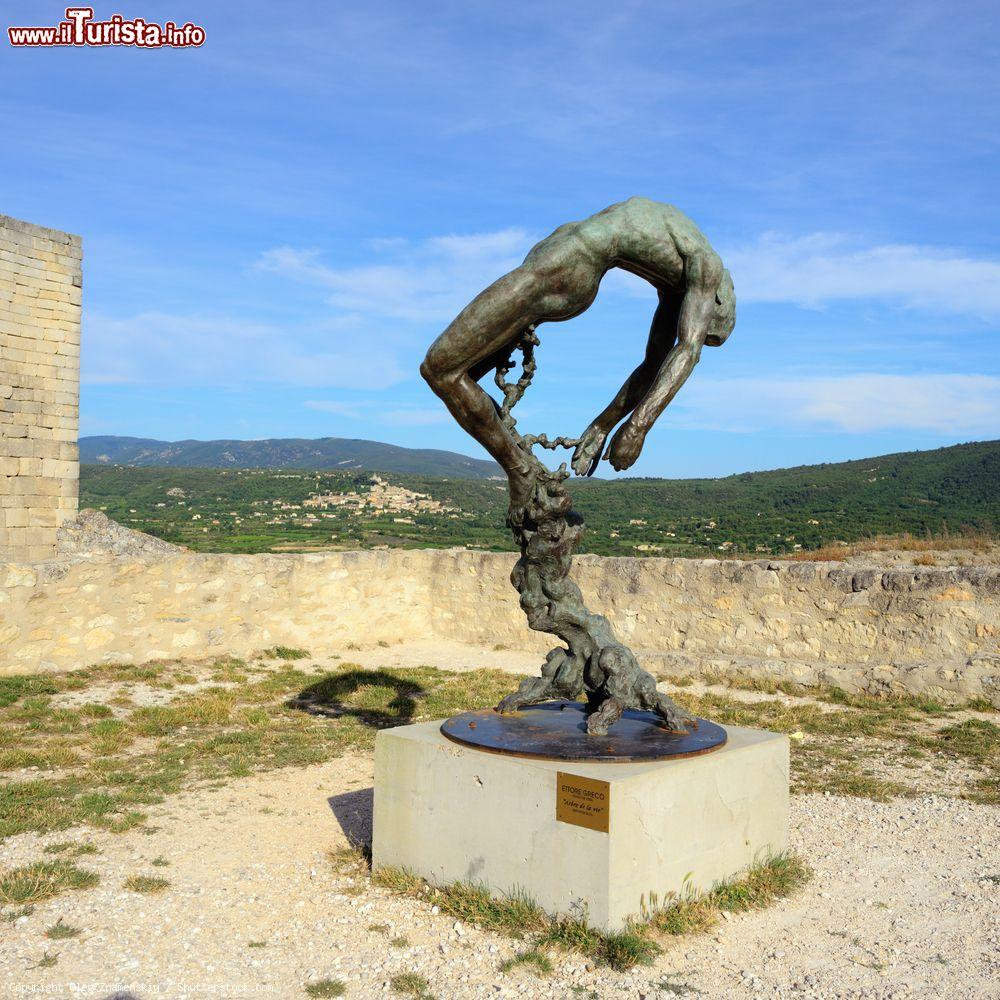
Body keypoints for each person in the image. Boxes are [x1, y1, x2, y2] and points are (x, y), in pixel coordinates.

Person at [421, 196, 736, 514]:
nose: (697, 315)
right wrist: (637, 427)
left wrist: (605, 426)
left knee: (445, 372)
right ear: (721, 300)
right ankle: (521, 469)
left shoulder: (676, 269)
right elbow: (687, 349)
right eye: (709, 323)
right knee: (452, 375)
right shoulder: (705, 266)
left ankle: (519, 470)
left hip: (565, 261)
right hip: (565, 263)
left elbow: (658, 362)